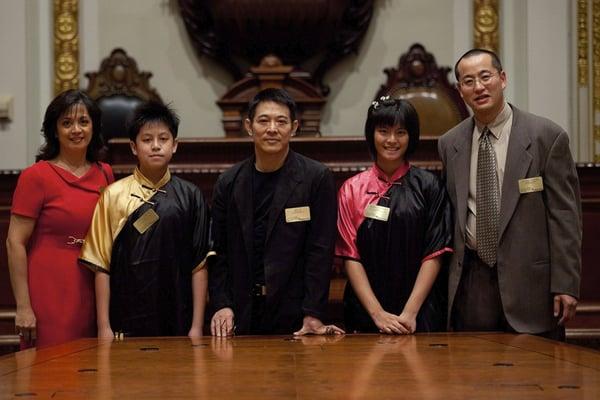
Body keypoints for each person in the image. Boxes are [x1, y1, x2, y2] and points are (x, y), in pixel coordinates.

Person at [438, 48, 582, 339]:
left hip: (533, 287)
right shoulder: (449, 143)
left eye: (485, 76)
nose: (478, 87)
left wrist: (566, 284)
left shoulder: (546, 137)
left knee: (538, 377)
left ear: (502, 79)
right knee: (474, 377)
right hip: (473, 284)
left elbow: (565, 216)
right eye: (468, 81)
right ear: (460, 91)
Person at [209, 88, 344, 336]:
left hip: (295, 315)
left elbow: (320, 251)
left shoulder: (316, 178)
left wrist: (313, 312)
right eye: (264, 120)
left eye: (281, 121)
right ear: (249, 126)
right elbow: (219, 254)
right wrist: (222, 305)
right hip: (240, 313)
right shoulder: (228, 182)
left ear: (294, 127)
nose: (272, 128)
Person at [79, 101, 210, 338]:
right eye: (147, 140)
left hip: (178, 320)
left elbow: (199, 265)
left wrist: (197, 327)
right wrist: (103, 327)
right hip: (125, 320)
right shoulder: (112, 195)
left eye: (163, 139)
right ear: (133, 147)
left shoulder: (191, 196)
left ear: (175, 145)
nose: (156, 146)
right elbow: (101, 266)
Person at [6, 89, 114, 349]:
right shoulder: (36, 176)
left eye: (83, 122)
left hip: (93, 285)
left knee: (91, 373)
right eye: (67, 123)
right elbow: (14, 243)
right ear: (54, 130)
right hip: (48, 290)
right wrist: (23, 306)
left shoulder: (105, 173)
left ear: (94, 127)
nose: (76, 129)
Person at [336, 97, 452, 334]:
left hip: (421, 310)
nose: (391, 140)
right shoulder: (351, 188)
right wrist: (377, 314)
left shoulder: (429, 186)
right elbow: (351, 256)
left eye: (400, 132)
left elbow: (435, 252)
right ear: (372, 134)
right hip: (366, 310)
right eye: (383, 131)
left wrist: (410, 313)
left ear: (411, 137)